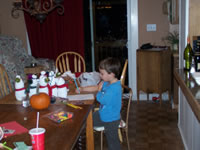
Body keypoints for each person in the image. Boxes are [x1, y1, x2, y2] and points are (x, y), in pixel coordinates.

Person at [76, 57, 122, 150]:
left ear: (111, 74)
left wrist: (99, 91)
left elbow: (102, 99)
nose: (100, 76)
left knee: (113, 143)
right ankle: (81, 142)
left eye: (102, 73)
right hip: (103, 114)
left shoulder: (114, 88)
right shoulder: (107, 82)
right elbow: (96, 87)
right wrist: (83, 89)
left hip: (111, 119)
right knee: (85, 121)